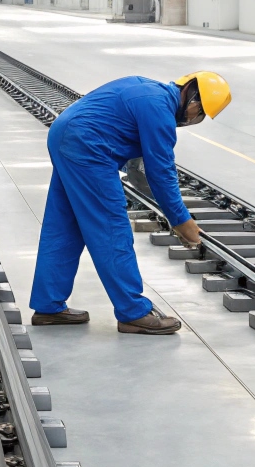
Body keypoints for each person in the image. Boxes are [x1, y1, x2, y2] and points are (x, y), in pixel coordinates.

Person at [29, 72, 231, 335]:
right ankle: (133, 312)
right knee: (111, 228)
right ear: (192, 97)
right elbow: (161, 172)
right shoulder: (159, 110)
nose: (194, 119)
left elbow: (135, 157)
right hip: (88, 148)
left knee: (65, 226)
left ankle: (48, 305)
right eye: (200, 113)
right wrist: (181, 220)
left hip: (66, 135)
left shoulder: (148, 90)